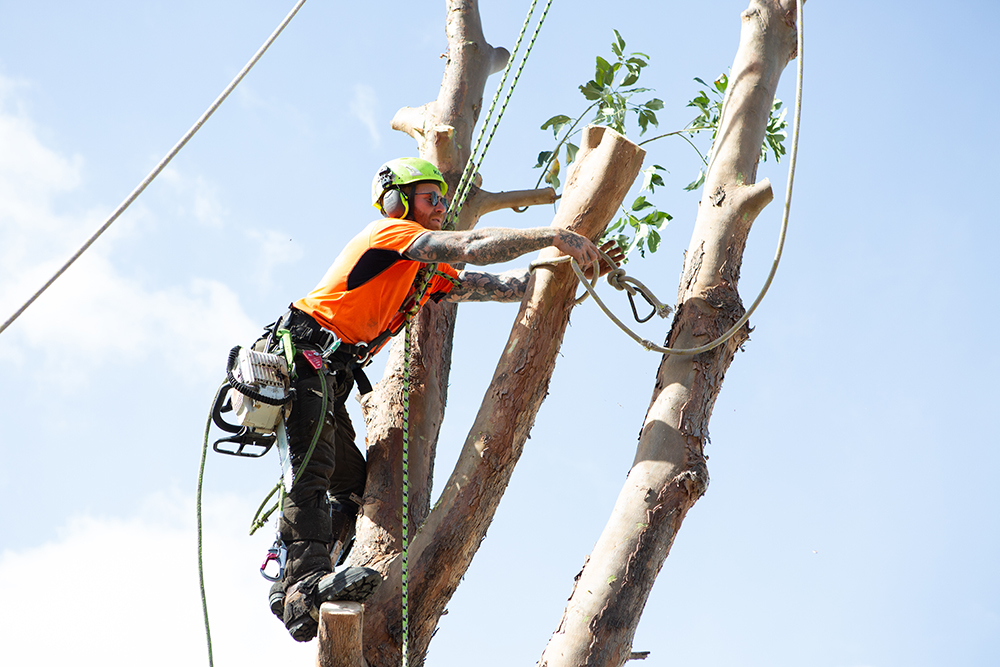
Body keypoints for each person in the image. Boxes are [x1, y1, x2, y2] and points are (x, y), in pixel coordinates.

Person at [265, 157, 620, 642]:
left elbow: (506, 288)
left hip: (329, 373)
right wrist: (553, 236)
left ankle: (307, 576)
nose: (440, 208)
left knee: (351, 485)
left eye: (443, 201)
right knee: (312, 468)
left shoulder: (424, 274)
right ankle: (303, 586)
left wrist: (577, 269)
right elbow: (471, 245)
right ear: (398, 202)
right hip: (304, 352)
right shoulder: (387, 234)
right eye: (432, 198)